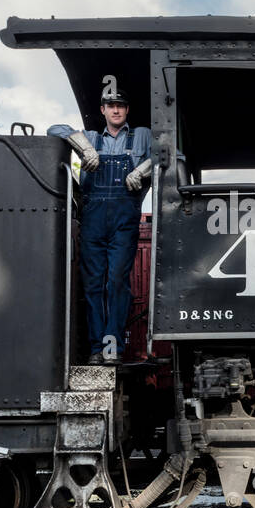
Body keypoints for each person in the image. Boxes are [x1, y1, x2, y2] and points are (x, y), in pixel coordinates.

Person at [48, 88, 153, 364]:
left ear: (127, 110)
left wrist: (142, 170)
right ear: (103, 111)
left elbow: (169, 154)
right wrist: (82, 146)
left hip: (124, 220)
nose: (115, 110)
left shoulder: (142, 135)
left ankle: (113, 348)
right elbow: (53, 129)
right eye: (110, 106)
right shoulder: (92, 137)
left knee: (116, 281)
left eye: (120, 105)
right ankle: (97, 348)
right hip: (93, 220)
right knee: (93, 284)